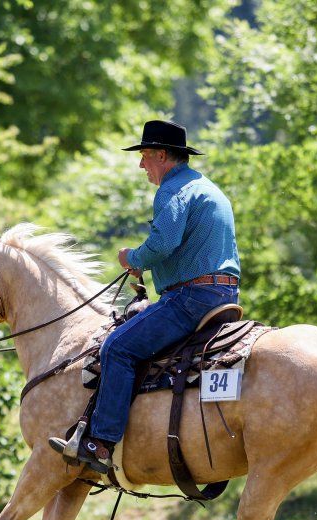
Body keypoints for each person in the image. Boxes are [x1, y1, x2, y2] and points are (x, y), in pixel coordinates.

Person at [50, 119, 241, 473]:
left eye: (145, 156)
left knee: (117, 347)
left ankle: (101, 443)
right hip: (224, 293)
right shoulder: (208, 188)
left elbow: (163, 243)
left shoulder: (172, 190)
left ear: (163, 155)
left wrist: (133, 258)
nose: (141, 165)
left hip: (191, 297)